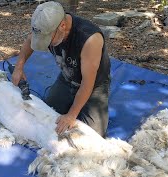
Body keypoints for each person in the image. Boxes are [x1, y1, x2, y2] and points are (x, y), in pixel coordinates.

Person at [12, 1, 110, 137]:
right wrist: (19, 67)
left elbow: (88, 83)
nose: (46, 44)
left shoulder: (89, 38)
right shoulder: (46, 25)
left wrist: (71, 115)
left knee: (93, 135)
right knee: (47, 114)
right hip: (67, 77)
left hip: (93, 86)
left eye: (47, 40)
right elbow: (30, 40)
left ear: (62, 26)